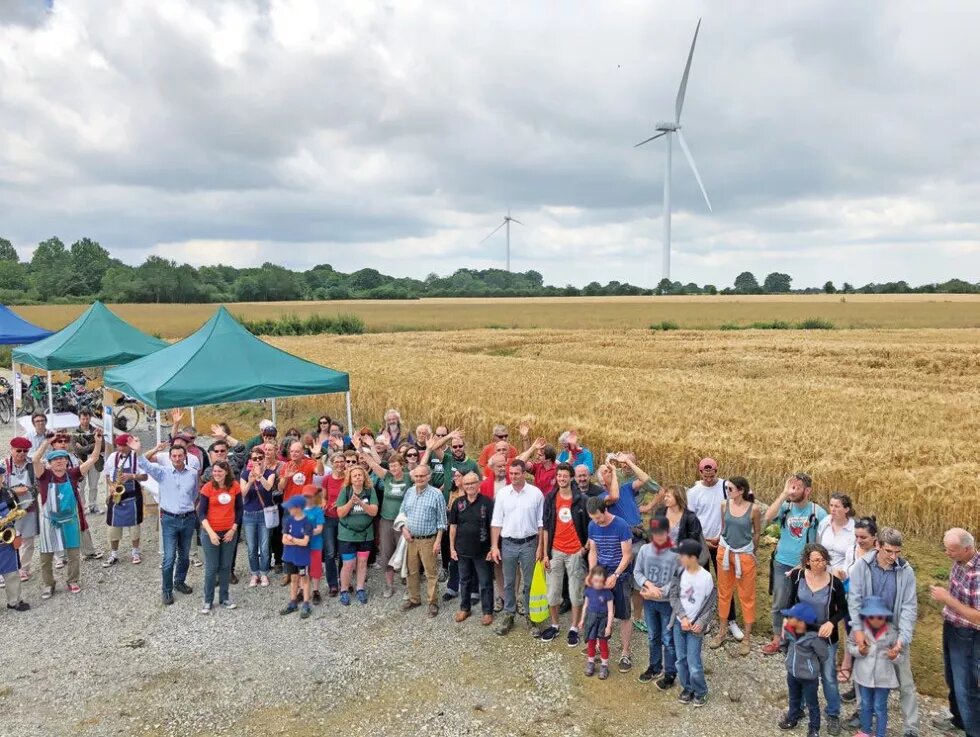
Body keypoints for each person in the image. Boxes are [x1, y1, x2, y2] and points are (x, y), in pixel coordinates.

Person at [847, 527, 920, 737]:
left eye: (897, 552)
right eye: (889, 551)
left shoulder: (906, 571)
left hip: (893, 630)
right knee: (863, 674)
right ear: (877, 545)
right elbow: (855, 600)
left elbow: (909, 607)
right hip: (867, 630)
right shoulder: (862, 566)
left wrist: (903, 640)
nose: (893, 557)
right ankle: (864, 720)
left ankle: (911, 728)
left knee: (906, 682)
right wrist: (858, 630)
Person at [785, 543, 846, 735]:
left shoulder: (834, 583)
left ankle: (833, 714)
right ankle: (798, 710)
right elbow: (790, 603)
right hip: (802, 637)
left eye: (823, 559)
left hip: (825, 639)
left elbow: (843, 609)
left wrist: (832, 622)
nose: (820, 563)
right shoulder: (797, 577)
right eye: (816, 560)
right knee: (799, 674)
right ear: (807, 562)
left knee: (828, 677)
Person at [763, 473, 827, 655]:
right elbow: (767, 517)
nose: (792, 490)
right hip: (782, 563)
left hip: (805, 568)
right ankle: (777, 639)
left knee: (803, 605)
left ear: (808, 491)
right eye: (790, 486)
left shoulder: (817, 512)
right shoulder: (786, 507)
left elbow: (824, 540)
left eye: (797, 487)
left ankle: (799, 642)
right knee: (779, 603)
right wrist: (784, 494)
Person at [31, 434, 102, 597]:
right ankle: (49, 584)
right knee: (46, 557)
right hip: (50, 522)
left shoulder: (72, 474)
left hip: (70, 521)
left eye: (62, 458)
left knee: (73, 554)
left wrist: (98, 442)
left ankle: (72, 580)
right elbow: (35, 460)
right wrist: (46, 443)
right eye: (55, 459)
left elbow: (93, 459)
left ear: (66, 461)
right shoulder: (44, 475)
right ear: (49, 463)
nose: (59, 461)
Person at [135, 438, 200, 605]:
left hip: (188, 518)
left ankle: (179, 582)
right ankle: (166, 590)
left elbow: (194, 495)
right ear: (170, 457)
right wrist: (138, 450)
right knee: (169, 558)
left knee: (184, 556)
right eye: (174, 456)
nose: (177, 459)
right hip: (170, 519)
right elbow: (144, 464)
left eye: (180, 456)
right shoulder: (162, 472)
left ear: (185, 456)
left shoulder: (193, 473)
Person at [930, 528, 979, 737]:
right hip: (951, 627)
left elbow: (978, 617)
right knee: (951, 678)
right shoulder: (960, 562)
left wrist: (947, 599)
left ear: (967, 549)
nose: (947, 553)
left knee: (965, 686)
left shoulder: (978, 575)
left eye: (952, 550)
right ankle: (958, 720)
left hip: (968, 635)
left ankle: (974, 731)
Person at [490, 459, 544, 636]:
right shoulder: (503, 494)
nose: (512, 477)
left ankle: (531, 616)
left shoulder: (536, 494)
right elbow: (496, 522)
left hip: (529, 544)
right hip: (508, 544)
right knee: (509, 582)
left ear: (524, 474)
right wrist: (494, 546)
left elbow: (541, 524)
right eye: (510, 473)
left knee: (529, 583)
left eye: (516, 473)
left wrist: (540, 547)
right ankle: (509, 615)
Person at [688, 457, 741, 637]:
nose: (709, 478)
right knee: (704, 583)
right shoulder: (694, 492)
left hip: (723, 543)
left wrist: (722, 535)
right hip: (702, 543)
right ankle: (706, 619)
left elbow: (735, 510)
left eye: (712, 475)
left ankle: (731, 620)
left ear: (716, 471)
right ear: (701, 473)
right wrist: (703, 538)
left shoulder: (726, 487)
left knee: (725, 583)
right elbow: (691, 520)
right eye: (706, 475)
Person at [710, 476, 761, 655]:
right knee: (724, 593)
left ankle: (747, 637)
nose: (728, 491)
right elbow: (724, 527)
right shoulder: (724, 505)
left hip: (744, 555)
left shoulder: (754, 509)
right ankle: (722, 631)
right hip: (725, 553)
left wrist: (752, 552)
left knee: (747, 596)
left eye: (731, 489)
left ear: (741, 490)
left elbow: (756, 533)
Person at [540, 462, 589, 645]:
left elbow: (591, 524)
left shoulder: (581, 500)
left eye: (565, 476)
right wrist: (545, 553)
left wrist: (586, 546)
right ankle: (555, 625)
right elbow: (546, 527)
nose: (561, 479)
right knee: (552, 592)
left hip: (575, 552)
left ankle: (574, 628)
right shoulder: (550, 498)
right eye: (559, 476)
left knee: (576, 592)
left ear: (571, 478)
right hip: (555, 551)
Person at [586, 494, 634, 671]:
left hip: (620, 574)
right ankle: (599, 645)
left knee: (624, 614)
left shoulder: (621, 525)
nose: (597, 522)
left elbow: (627, 555)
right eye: (593, 519)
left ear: (605, 510)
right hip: (601, 572)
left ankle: (625, 653)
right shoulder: (592, 525)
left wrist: (615, 575)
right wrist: (593, 573)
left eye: (598, 517)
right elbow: (593, 550)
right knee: (599, 610)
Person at [634, 516, 680, 688]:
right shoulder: (645, 550)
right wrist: (649, 585)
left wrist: (660, 592)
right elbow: (637, 572)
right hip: (649, 600)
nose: (658, 537)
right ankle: (654, 666)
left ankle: (670, 674)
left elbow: (678, 578)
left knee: (668, 639)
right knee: (653, 636)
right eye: (655, 533)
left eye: (661, 533)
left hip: (667, 603)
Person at [670, 539, 715, 707]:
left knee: (693, 663)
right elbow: (673, 597)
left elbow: (711, 605)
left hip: (696, 628)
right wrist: (682, 618)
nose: (679, 558)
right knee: (680, 660)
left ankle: (701, 691)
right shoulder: (679, 572)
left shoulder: (706, 578)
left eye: (682, 555)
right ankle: (687, 688)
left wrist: (702, 622)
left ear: (693, 558)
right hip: (679, 624)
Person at [360, 447, 409, 598]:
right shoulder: (387, 476)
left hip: (403, 522)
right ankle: (389, 585)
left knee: (405, 553)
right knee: (386, 553)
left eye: (396, 465)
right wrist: (360, 449)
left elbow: (424, 465)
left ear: (402, 465)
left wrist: (428, 450)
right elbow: (373, 464)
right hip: (386, 520)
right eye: (391, 465)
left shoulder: (409, 477)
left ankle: (408, 585)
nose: (393, 468)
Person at [840, 516, 880, 700]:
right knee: (852, 642)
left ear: (874, 537)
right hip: (851, 603)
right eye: (856, 536)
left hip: (869, 608)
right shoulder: (852, 550)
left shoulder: (880, 556)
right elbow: (848, 572)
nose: (859, 540)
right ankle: (856, 687)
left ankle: (866, 688)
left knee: (866, 645)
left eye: (863, 537)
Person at [848, 596, 899, 737]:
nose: (876, 620)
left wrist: (895, 656)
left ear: (885, 616)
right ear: (866, 616)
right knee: (865, 704)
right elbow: (850, 645)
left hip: (884, 676)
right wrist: (859, 651)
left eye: (880, 617)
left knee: (880, 706)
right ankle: (866, 730)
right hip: (864, 673)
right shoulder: (858, 629)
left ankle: (880, 733)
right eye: (872, 616)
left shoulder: (892, 632)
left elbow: (901, 655)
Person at [399, 465, 447, 617]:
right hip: (411, 539)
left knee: (430, 573)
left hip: (428, 540)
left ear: (428, 477)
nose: (419, 479)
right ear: (413, 477)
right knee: (411, 571)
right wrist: (404, 530)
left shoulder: (436, 494)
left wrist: (438, 541)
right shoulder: (410, 492)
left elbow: (442, 521)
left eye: (422, 476)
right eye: (417, 476)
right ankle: (414, 599)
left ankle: (432, 603)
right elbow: (402, 513)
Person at [449, 471, 494, 626]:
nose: (470, 486)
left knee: (486, 582)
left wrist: (493, 548)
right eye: (467, 483)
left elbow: (493, 526)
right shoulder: (458, 503)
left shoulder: (487, 503)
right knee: (465, 581)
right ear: (463, 485)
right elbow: (453, 526)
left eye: (473, 483)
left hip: (483, 551)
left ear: (478, 484)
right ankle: (465, 608)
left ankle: (488, 611)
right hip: (462, 550)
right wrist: (451, 548)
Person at [778, 601, 829, 737]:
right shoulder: (789, 632)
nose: (788, 619)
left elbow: (824, 654)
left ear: (802, 622)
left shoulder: (814, 638)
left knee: (812, 703)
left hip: (809, 677)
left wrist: (812, 665)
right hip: (792, 672)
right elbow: (784, 645)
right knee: (793, 697)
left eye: (791, 617)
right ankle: (793, 716)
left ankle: (814, 728)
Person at [197, 461, 242, 614]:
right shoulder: (207, 488)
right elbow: (201, 512)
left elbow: (240, 509)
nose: (216, 474)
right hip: (211, 532)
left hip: (229, 532)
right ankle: (208, 600)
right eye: (215, 471)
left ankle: (224, 598)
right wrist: (211, 533)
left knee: (225, 566)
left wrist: (233, 529)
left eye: (220, 471)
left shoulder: (235, 486)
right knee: (211, 567)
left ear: (226, 472)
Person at [102, 434, 146, 568]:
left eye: (123, 446)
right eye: (118, 446)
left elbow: (144, 476)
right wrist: (111, 487)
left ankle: (135, 552)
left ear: (129, 445)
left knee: (134, 527)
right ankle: (114, 554)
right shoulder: (112, 457)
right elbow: (107, 475)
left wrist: (131, 476)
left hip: (132, 496)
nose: (120, 449)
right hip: (117, 497)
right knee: (113, 527)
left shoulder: (136, 457)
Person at [336, 466, 378, 606]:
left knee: (362, 563)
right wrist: (351, 502)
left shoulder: (370, 491)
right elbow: (340, 513)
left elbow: (373, 512)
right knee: (348, 564)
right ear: (350, 478)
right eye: (355, 476)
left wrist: (360, 503)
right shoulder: (345, 491)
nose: (358, 477)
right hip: (347, 535)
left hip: (366, 534)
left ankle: (360, 588)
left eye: (360, 475)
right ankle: (344, 590)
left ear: (364, 477)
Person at [240, 447, 275, 587]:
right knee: (251, 547)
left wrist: (260, 476)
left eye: (260, 458)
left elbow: (268, 488)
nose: (258, 461)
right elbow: (242, 493)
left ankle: (264, 572)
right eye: (255, 458)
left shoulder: (270, 473)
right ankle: (254, 573)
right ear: (250, 460)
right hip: (249, 514)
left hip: (264, 514)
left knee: (265, 547)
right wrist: (250, 481)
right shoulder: (244, 474)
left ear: (264, 459)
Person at [6, 437, 38, 582]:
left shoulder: (33, 464)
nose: (22, 453)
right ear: (11, 449)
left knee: (28, 540)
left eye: (25, 451)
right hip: (8, 510)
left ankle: (23, 568)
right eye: (18, 450)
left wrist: (30, 490)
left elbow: (40, 482)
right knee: (8, 540)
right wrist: (13, 491)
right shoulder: (3, 465)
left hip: (29, 507)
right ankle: (7, 570)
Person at [279, 496, 313, 619]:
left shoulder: (307, 522)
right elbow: (284, 540)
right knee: (293, 578)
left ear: (298, 508)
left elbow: (305, 542)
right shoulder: (288, 520)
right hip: (290, 555)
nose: (289, 509)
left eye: (291, 507)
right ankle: (293, 601)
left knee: (304, 579)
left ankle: (306, 603)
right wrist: (297, 541)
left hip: (302, 557)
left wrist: (292, 539)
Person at [579, 565, 615, 680]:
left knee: (603, 643)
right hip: (591, 619)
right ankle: (590, 662)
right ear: (591, 580)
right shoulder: (589, 590)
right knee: (591, 642)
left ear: (604, 580)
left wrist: (609, 626)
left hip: (603, 620)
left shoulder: (608, 593)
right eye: (595, 581)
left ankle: (604, 665)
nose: (598, 584)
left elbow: (610, 611)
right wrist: (582, 620)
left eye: (601, 581)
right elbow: (585, 605)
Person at [320, 450, 347, 596]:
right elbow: (323, 497)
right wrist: (324, 502)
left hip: (345, 518)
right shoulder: (327, 479)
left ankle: (344, 581)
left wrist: (342, 502)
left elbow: (354, 495)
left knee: (344, 552)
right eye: (336, 462)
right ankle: (332, 584)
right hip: (329, 517)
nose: (339, 464)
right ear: (332, 463)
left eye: (342, 461)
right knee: (330, 553)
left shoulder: (349, 479)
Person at [0, 480, 29, 611]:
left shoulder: (8, 493)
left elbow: (15, 511)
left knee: (11, 571)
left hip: (6, 537)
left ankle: (14, 600)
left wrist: (15, 532)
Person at [818, 493, 857, 582]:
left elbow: (857, 557)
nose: (833, 509)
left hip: (843, 576)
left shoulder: (854, 529)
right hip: (822, 572)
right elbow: (818, 545)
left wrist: (844, 573)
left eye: (837, 506)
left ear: (846, 509)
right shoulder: (824, 522)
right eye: (831, 505)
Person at [71, 409, 103, 514]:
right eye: (83, 419)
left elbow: (101, 446)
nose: (85, 421)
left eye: (87, 418)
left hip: (95, 461)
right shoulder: (75, 433)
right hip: (82, 462)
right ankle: (82, 506)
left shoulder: (96, 430)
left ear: (90, 418)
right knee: (81, 485)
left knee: (94, 485)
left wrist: (85, 447)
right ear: (79, 419)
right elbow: (76, 449)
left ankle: (93, 505)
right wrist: (93, 446)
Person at [301, 485, 326, 604]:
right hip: (301, 545)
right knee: (302, 569)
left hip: (315, 544)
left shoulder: (318, 511)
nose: (308, 499)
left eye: (310, 496)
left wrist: (307, 532)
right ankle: (302, 590)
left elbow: (320, 529)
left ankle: (316, 590)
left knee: (315, 569)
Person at [517, 425, 558, 495]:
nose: (537, 456)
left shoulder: (558, 470)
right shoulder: (538, 466)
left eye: (540, 455)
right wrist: (525, 438)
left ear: (549, 459)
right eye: (537, 454)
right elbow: (521, 462)